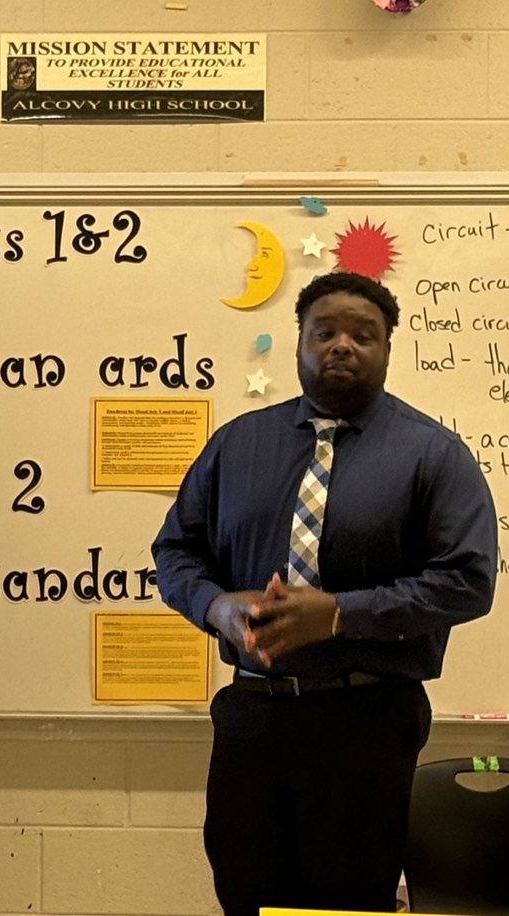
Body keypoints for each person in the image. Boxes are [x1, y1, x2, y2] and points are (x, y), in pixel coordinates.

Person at [151, 270, 497, 916]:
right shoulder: (237, 444)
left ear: (387, 349)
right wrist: (214, 606)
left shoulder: (433, 454)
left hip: (366, 720)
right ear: (299, 343)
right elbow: (175, 551)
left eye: (363, 335)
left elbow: (468, 581)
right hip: (253, 715)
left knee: (348, 905)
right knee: (245, 894)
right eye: (325, 332)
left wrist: (340, 614)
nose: (342, 344)